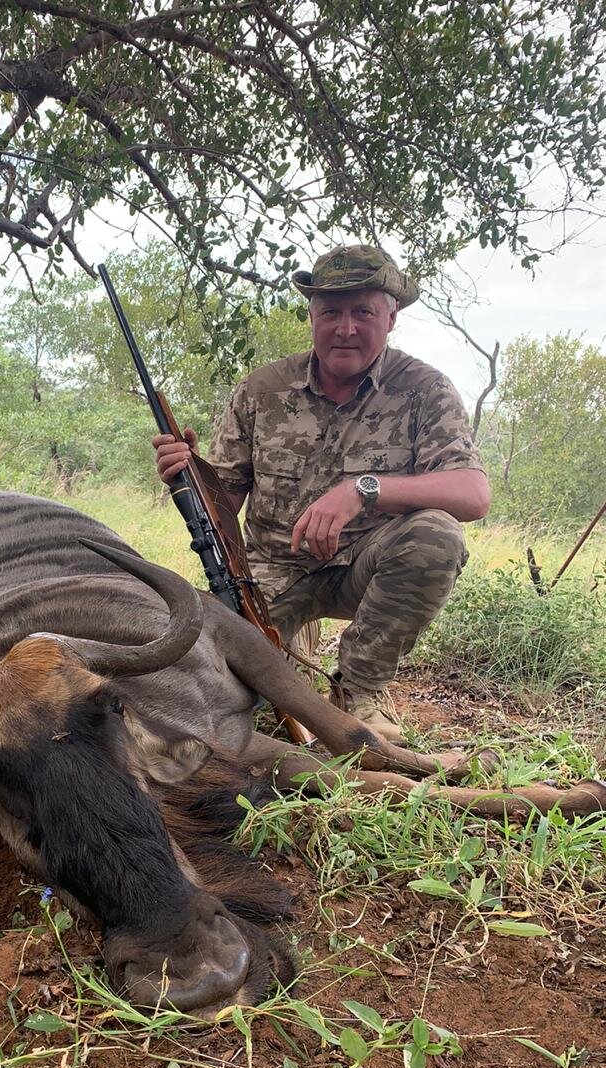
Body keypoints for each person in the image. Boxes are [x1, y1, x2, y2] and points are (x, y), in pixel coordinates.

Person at [153, 244, 491, 742]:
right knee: (206, 687)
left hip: (365, 566)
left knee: (436, 535)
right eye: (331, 312)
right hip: (268, 574)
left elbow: (473, 494)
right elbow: (221, 501)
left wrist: (364, 489)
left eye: (363, 313)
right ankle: (273, 680)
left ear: (391, 317)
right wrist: (187, 473)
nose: (346, 328)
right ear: (311, 314)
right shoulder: (261, 389)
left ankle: (357, 693)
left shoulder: (425, 389)